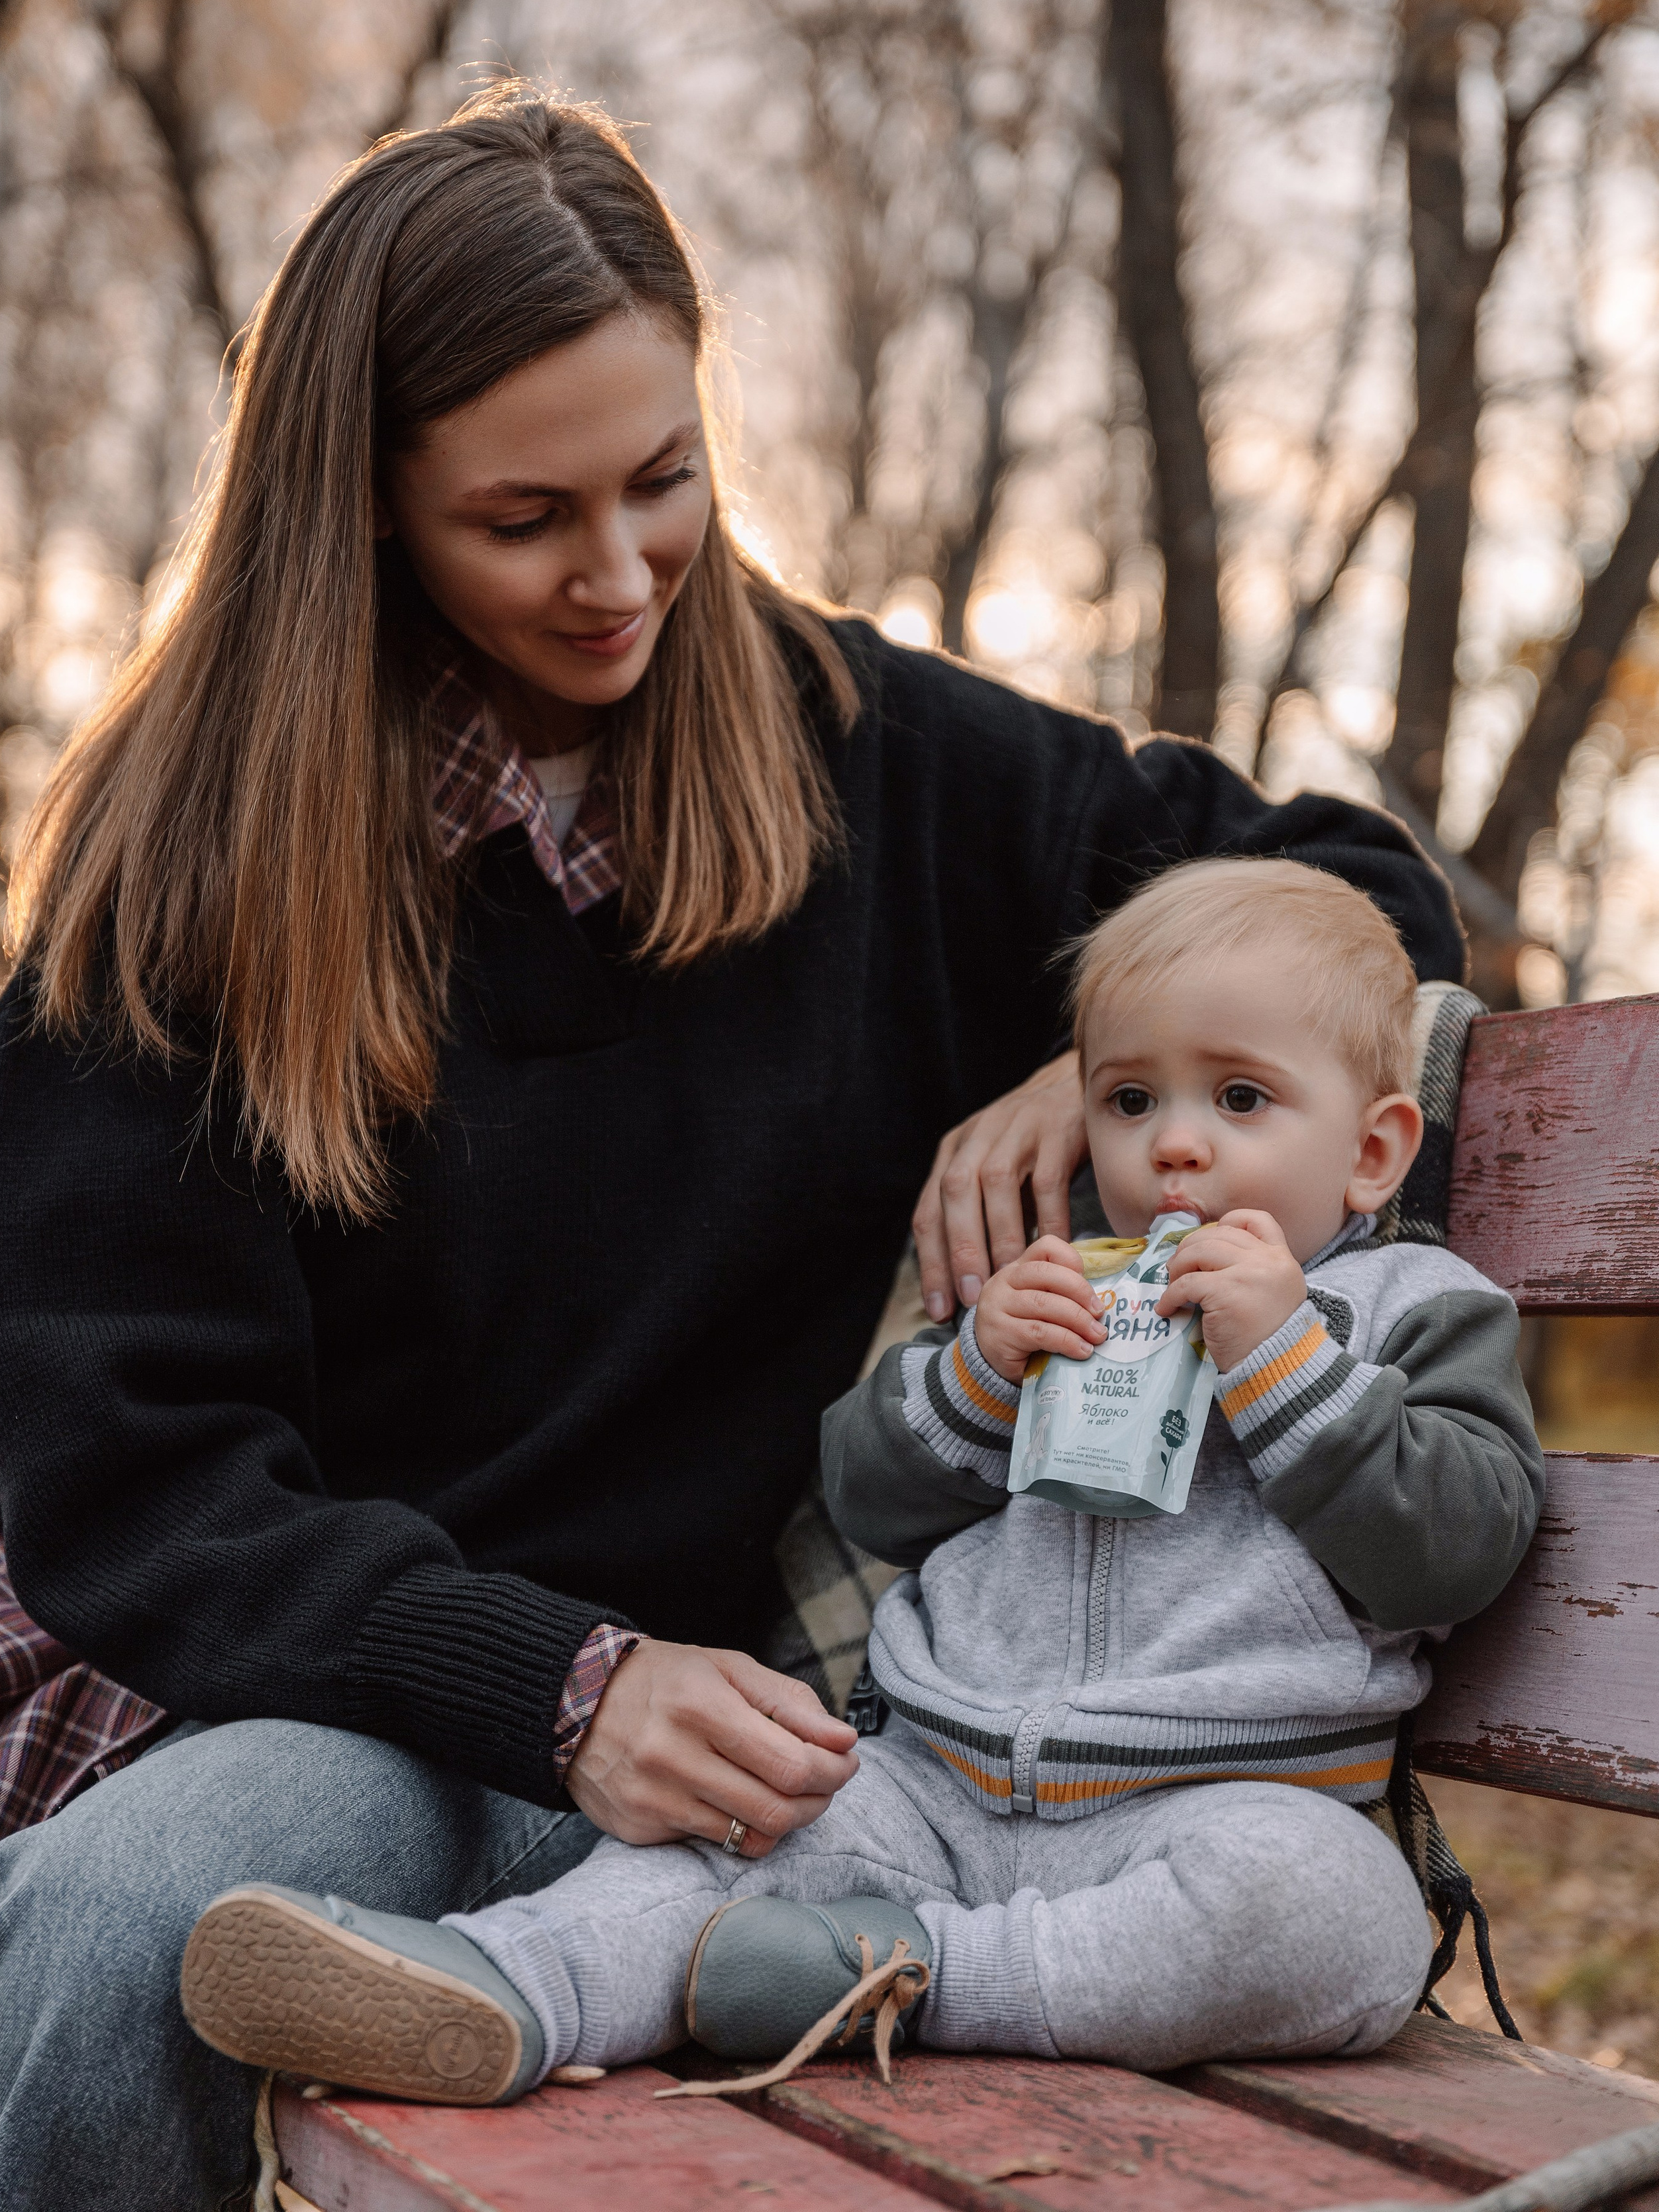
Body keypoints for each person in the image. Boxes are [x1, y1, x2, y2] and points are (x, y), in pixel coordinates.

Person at [0, 87, 1464, 2212]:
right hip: (314, 1692)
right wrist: (559, 1688)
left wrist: (1094, 1056)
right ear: (365, 505)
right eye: (526, 517)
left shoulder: (868, 754)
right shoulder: (183, 886)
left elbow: (1353, 886)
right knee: (136, 1923)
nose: (620, 575)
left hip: (722, 1777)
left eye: (663, 481)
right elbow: (140, 1484)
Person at [178, 858, 1544, 2097]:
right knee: (728, 1840)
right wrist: (978, 1374)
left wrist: (1286, 1362)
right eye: (1130, 1100)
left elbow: (1456, 1550)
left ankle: (912, 1976)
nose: (1173, 1144)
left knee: (1337, 1917)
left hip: (1217, 1810)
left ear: (1371, 1151)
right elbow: (871, 1495)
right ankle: (504, 1985)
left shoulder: (1409, 1311)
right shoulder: (1059, 1292)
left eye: (1239, 1099)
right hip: (930, 1784)